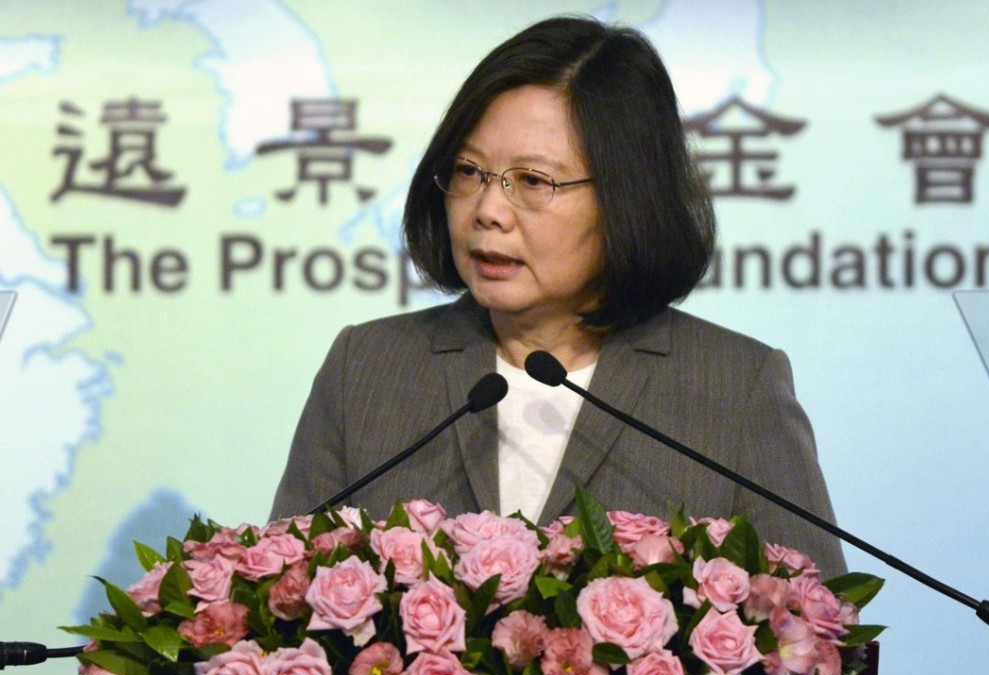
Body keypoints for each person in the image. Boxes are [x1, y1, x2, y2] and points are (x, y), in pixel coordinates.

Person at [271, 16, 847, 577]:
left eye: (533, 181)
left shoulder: (735, 389)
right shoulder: (367, 370)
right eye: (469, 171)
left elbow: (819, 633)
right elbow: (281, 604)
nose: (488, 211)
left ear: (628, 197)